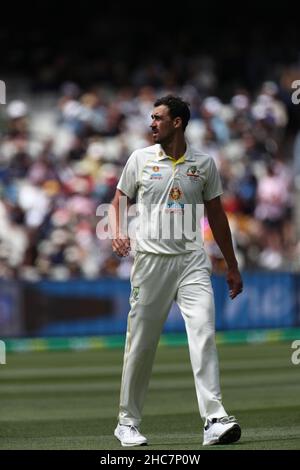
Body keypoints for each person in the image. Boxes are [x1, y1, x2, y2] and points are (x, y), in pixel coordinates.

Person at [110, 95, 243, 447]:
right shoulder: (139, 159)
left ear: (178, 122)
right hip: (151, 262)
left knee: (203, 332)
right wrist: (119, 230)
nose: (151, 123)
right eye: (151, 118)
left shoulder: (203, 163)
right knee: (141, 344)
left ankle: (214, 418)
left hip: (192, 261)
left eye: (158, 118)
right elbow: (119, 201)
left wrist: (232, 265)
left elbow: (216, 216)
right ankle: (127, 422)